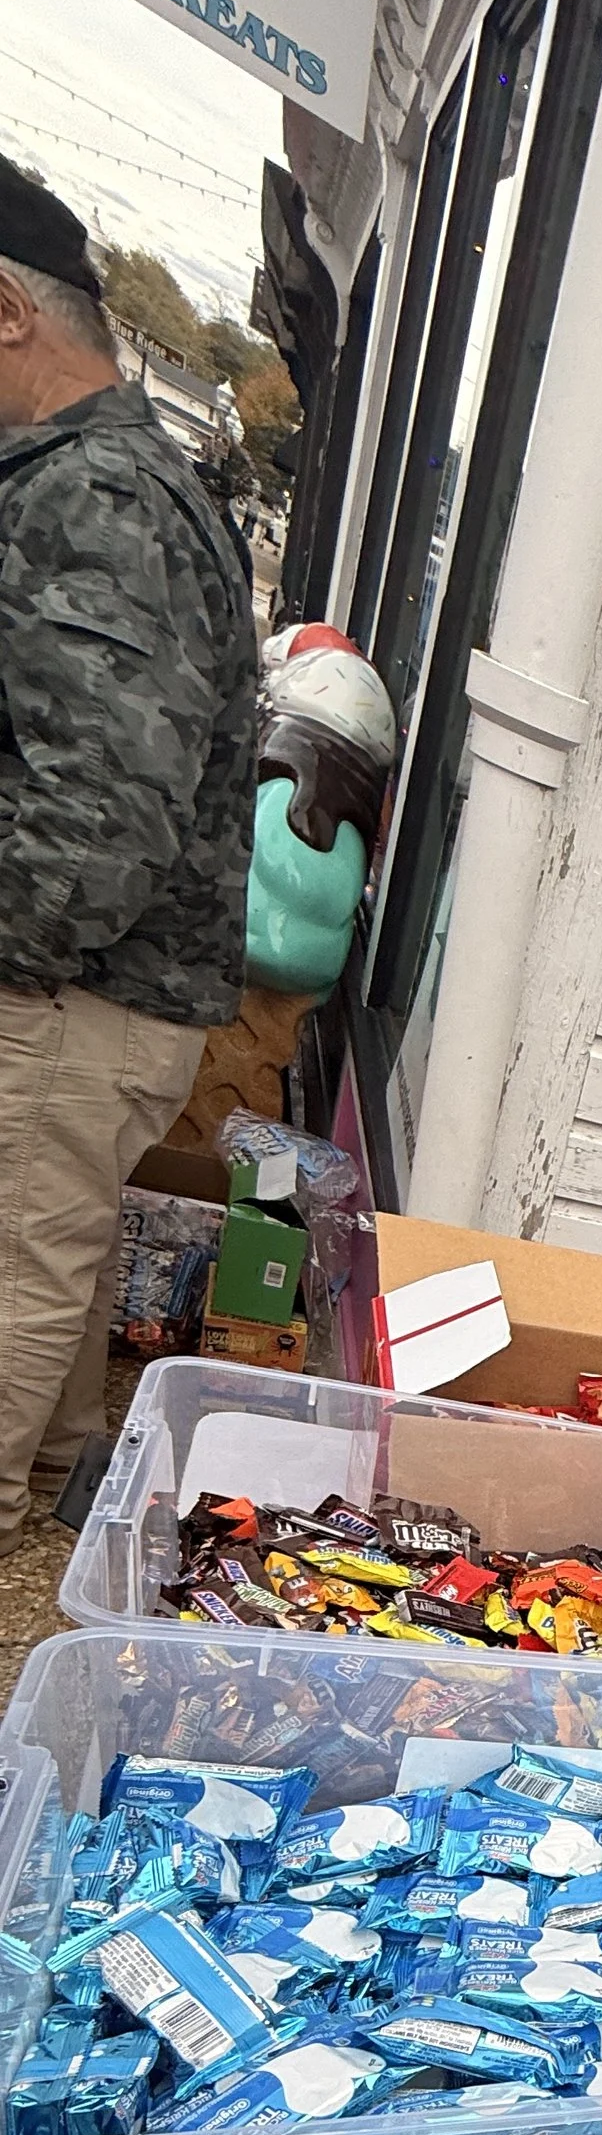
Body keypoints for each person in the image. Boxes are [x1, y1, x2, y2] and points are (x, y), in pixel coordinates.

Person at [0, 156, 257, 1548]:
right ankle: (48, 1483)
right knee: (53, 1248)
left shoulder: (98, 496)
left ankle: (22, 1493)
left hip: (71, 984)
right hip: (97, 985)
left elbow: (105, 806)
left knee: (21, 1266)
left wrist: (17, 954)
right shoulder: (107, 480)